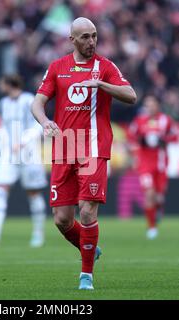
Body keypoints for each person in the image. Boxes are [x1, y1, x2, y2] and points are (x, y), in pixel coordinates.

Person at [31, 17, 137, 290]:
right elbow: (38, 103)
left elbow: (130, 95)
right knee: (62, 220)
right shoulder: (57, 68)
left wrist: (102, 86)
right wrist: (45, 122)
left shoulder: (105, 67)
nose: (92, 42)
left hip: (93, 149)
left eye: (94, 36)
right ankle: (89, 247)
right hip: (64, 148)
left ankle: (86, 275)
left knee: (88, 212)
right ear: (72, 40)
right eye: (86, 37)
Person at [0, 74, 48, 248]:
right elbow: (3, 128)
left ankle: (38, 234)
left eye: (2, 83)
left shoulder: (28, 100)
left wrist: (24, 141)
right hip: (9, 154)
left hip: (28, 154)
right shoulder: (3, 103)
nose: (0, 86)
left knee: (33, 194)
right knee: (1, 190)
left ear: (9, 84)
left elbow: (38, 124)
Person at [129, 95, 176, 239]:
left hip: (161, 164)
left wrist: (165, 140)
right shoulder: (139, 121)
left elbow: (175, 136)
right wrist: (138, 142)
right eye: (147, 105)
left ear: (157, 105)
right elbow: (131, 136)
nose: (149, 107)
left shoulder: (166, 120)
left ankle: (158, 210)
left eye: (152, 104)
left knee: (159, 197)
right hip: (145, 164)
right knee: (149, 194)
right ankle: (151, 228)